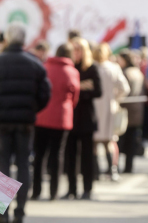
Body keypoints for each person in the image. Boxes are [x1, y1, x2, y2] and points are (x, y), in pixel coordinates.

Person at [0, 22, 51, 223]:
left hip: (1, 122)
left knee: (2, 167)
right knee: (24, 164)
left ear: (6, 39)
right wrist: (31, 109)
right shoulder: (34, 63)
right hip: (24, 122)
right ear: (24, 40)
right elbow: (45, 94)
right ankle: (20, 212)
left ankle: (2, 213)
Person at [31, 43, 80, 201]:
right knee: (57, 155)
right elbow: (75, 97)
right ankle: (53, 191)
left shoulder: (44, 67)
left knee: (39, 155)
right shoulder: (72, 72)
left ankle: (36, 190)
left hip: (42, 116)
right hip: (62, 117)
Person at [62, 37, 102, 200]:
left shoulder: (92, 68)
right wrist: (82, 86)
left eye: (79, 49)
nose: (76, 52)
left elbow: (98, 91)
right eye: (74, 49)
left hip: (86, 117)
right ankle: (71, 189)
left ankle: (87, 189)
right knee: (70, 156)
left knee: (86, 156)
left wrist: (79, 90)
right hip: (71, 117)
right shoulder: (69, 67)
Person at [93, 43, 130, 181]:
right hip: (109, 106)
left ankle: (96, 171)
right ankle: (111, 170)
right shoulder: (113, 68)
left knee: (95, 142)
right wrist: (115, 98)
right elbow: (124, 88)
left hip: (95, 107)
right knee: (108, 141)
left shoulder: (92, 68)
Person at [117, 49, 145, 173]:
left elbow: (124, 91)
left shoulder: (126, 72)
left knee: (122, 141)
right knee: (131, 141)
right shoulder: (137, 72)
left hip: (126, 110)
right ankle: (129, 166)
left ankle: (116, 166)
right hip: (137, 110)